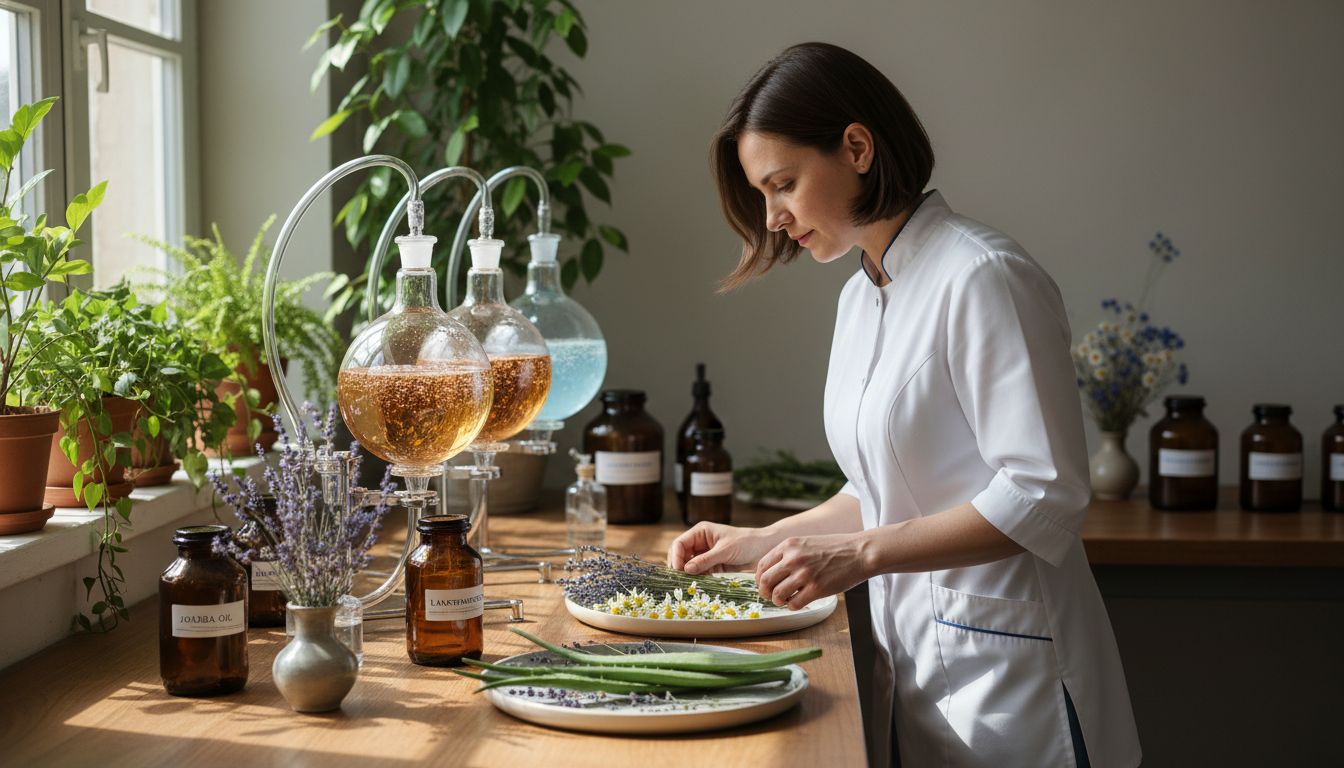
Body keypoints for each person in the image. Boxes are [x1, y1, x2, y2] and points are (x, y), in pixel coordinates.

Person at [669, 42, 1141, 768]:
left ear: (857, 148)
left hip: (1017, 688)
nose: (773, 218)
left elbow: (1043, 494)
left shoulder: (984, 276)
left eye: (783, 184)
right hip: (917, 671)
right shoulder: (860, 297)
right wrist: (764, 541)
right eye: (763, 194)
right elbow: (881, 488)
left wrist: (859, 556)